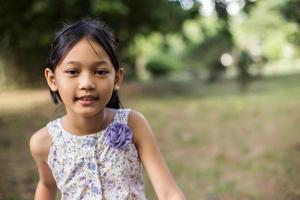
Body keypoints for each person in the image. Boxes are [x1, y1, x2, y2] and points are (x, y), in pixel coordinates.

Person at [29, 18, 185, 200]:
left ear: (117, 79)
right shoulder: (43, 143)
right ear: (52, 80)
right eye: (73, 72)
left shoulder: (133, 124)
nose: (87, 83)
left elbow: (169, 193)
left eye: (100, 72)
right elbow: (47, 185)